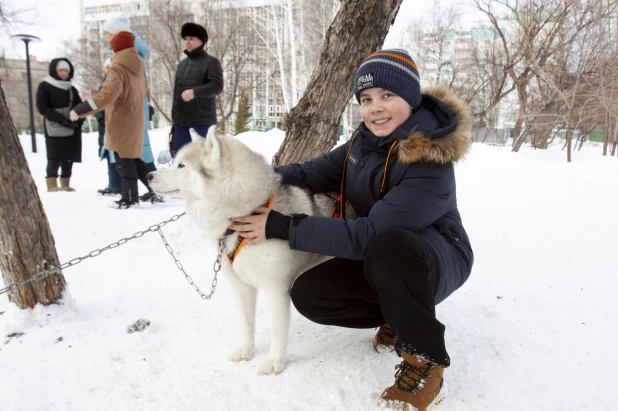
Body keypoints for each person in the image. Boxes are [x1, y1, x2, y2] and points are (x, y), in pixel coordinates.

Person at [227, 49, 474, 410]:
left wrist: (281, 225)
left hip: (436, 257)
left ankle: (425, 364)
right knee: (310, 293)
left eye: (388, 96)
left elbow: (369, 234)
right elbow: (313, 172)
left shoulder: (429, 161)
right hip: (384, 254)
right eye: (367, 99)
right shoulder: (363, 142)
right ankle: (397, 315)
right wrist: (253, 181)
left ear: (411, 98)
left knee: (390, 245)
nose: (376, 107)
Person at [70, 31, 152, 209]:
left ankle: (129, 198)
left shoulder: (118, 69)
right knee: (133, 159)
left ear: (117, 47)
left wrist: (80, 109)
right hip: (135, 119)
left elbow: (106, 96)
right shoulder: (138, 68)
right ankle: (155, 188)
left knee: (124, 161)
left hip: (122, 121)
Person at [101, 14, 161, 203]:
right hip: (130, 110)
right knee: (133, 153)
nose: (107, 39)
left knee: (130, 152)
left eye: (109, 34)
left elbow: (123, 88)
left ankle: (133, 195)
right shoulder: (132, 55)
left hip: (127, 112)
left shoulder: (128, 55)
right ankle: (146, 190)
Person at [170, 22, 223, 154]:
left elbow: (217, 86)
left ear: (201, 41)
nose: (188, 42)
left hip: (202, 123)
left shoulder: (211, 62)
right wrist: (174, 120)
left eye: (192, 38)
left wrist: (195, 92)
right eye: (186, 39)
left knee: (203, 161)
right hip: (181, 123)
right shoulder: (182, 65)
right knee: (180, 160)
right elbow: (176, 94)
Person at [36, 58, 84, 192]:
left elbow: (80, 106)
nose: (63, 73)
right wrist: (61, 119)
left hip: (71, 127)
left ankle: (65, 183)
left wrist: (78, 121)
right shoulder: (45, 86)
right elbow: (42, 107)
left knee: (68, 156)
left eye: (66, 70)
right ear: (54, 70)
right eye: (61, 70)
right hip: (54, 126)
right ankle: (51, 184)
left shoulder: (72, 89)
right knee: (54, 156)